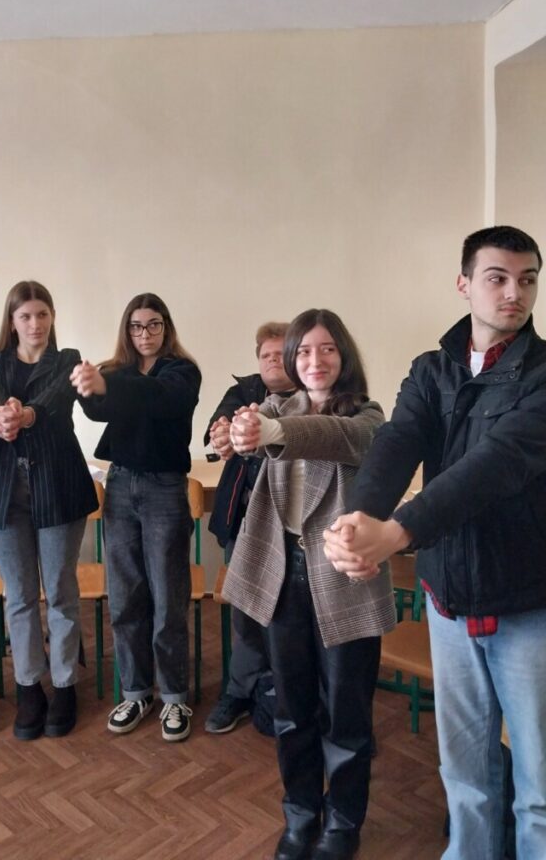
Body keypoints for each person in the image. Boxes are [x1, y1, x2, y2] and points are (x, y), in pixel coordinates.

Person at [323, 225, 546, 860]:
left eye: (527, 280)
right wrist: (359, 520)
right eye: (497, 278)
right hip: (448, 600)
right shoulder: (432, 369)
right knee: (466, 776)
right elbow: (398, 440)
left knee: (539, 790)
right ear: (464, 284)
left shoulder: (544, 375)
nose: (514, 293)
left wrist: (397, 532)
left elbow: (495, 465)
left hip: (526, 605)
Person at [223, 309, 395, 860]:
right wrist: (239, 432)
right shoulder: (277, 408)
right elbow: (255, 432)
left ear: (343, 356)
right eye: (302, 351)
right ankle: (301, 815)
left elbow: (339, 439)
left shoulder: (367, 415)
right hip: (284, 577)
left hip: (344, 577)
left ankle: (342, 823)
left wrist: (271, 433)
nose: (314, 361)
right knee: (291, 709)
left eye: (326, 349)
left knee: (346, 713)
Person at [71, 293, 201, 743]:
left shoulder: (182, 371)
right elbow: (97, 409)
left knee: (168, 597)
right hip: (121, 484)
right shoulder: (117, 372)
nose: (145, 334)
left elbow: (162, 399)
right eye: (136, 326)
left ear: (166, 327)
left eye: (153, 324)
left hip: (165, 487)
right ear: (127, 330)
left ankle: (175, 696)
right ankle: (136, 692)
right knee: (126, 596)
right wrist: (87, 384)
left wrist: (107, 385)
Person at [0, 281, 97, 740]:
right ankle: (29, 686)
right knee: (20, 595)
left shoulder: (68, 360)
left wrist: (24, 415)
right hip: (6, 493)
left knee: (61, 591)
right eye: (25, 316)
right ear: (12, 322)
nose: (35, 324)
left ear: (52, 317)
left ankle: (64, 684)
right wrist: (3, 415)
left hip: (58, 488)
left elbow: (54, 400)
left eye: (42, 314)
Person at [204, 321, 294, 735]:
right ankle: (240, 691)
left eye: (280, 354)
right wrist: (223, 431)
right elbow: (221, 421)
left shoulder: (314, 397)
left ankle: (287, 693)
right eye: (266, 355)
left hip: (293, 528)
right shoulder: (245, 391)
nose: (273, 361)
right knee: (244, 612)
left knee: (288, 616)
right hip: (242, 521)